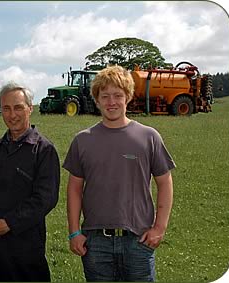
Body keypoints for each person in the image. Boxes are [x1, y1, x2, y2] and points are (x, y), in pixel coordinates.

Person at [63, 65, 175, 282]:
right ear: (96, 99)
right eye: (104, 96)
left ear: (128, 97)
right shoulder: (82, 140)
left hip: (138, 239)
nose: (111, 102)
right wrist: (74, 232)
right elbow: (74, 188)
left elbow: (165, 182)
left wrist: (159, 227)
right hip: (95, 242)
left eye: (117, 95)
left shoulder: (148, 137)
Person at [0, 82, 60, 282]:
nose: (12, 114)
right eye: (6, 108)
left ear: (30, 108)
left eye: (18, 107)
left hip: (27, 253)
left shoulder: (43, 150)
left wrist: (10, 223)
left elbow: (46, 198)